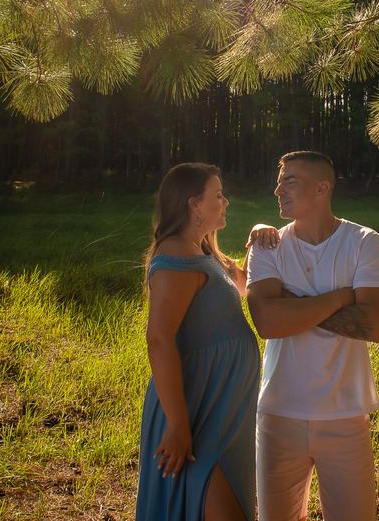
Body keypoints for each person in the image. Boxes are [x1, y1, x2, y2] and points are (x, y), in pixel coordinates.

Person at [246, 151, 379, 521]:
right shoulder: (267, 245)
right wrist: (343, 297)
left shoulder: (364, 242)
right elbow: (266, 321)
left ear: (322, 187)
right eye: (279, 180)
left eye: (290, 180)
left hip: (344, 414)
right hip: (278, 414)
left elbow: (375, 325)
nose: (277, 188)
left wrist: (291, 303)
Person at [137, 163, 260, 521]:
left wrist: (260, 232)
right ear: (194, 205)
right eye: (218, 195)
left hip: (223, 407)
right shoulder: (175, 255)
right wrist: (177, 426)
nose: (226, 202)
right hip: (195, 408)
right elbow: (158, 339)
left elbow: (245, 284)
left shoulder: (203, 252)